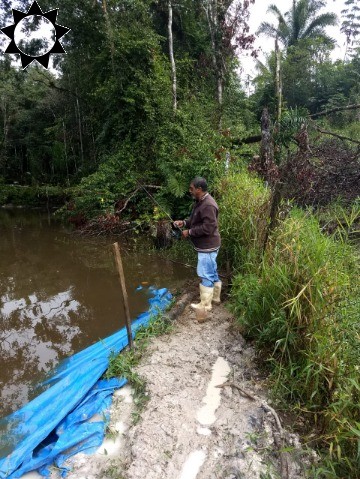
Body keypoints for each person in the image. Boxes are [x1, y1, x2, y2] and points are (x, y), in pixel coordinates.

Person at [174, 177, 221, 317]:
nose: (190, 191)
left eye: (191, 188)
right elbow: (196, 220)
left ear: (199, 189)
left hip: (208, 246)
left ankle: (205, 306)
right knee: (212, 271)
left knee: (205, 273)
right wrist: (184, 223)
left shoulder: (208, 205)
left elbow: (208, 227)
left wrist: (190, 232)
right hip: (209, 245)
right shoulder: (200, 202)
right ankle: (215, 298)